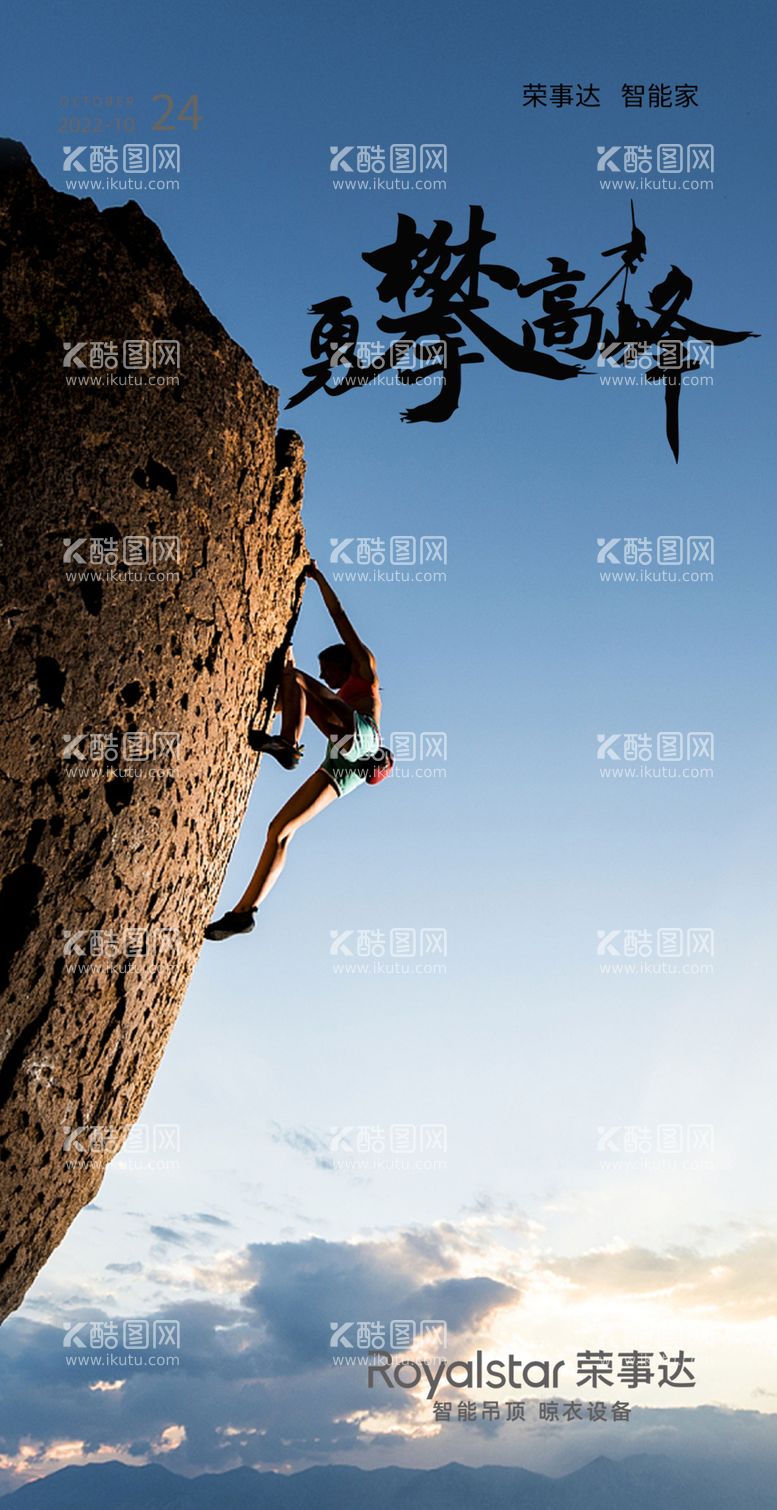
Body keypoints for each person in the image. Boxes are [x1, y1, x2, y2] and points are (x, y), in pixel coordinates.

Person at [204, 561, 382, 941]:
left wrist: (318, 580)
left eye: (328, 669)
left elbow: (339, 615)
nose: (327, 675)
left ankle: (288, 744)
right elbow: (292, 697)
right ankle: (244, 912)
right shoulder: (331, 696)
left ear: (341, 661)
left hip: (364, 737)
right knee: (279, 830)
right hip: (342, 760)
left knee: (296, 678)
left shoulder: (365, 670)